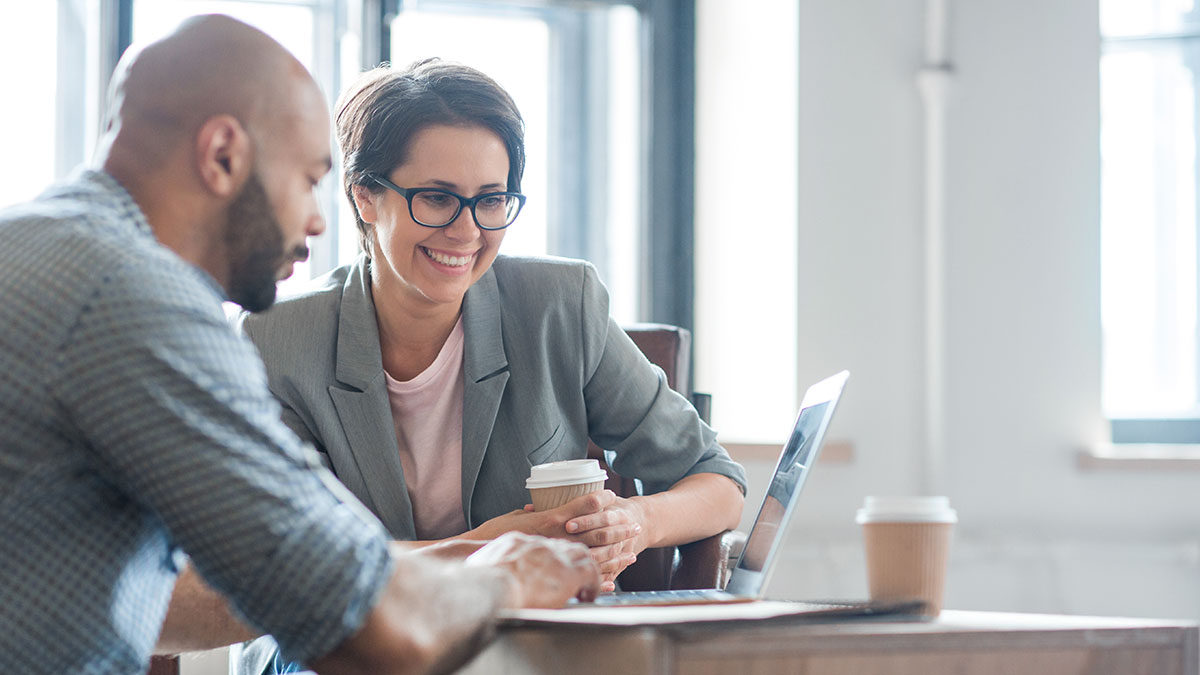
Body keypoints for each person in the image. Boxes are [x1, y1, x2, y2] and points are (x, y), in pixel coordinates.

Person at [0, 15, 599, 675]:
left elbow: (164, 602)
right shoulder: (134, 298)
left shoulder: (35, 244)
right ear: (224, 154)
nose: (317, 218)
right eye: (309, 177)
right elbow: (373, 634)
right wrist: (510, 575)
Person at [236, 58, 747, 672]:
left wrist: (636, 521)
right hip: (341, 646)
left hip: (526, 646)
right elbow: (302, 568)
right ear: (364, 197)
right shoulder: (278, 340)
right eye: (437, 198)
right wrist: (497, 549)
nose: (467, 231)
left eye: (491, 200)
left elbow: (715, 482)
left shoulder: (559, 305)